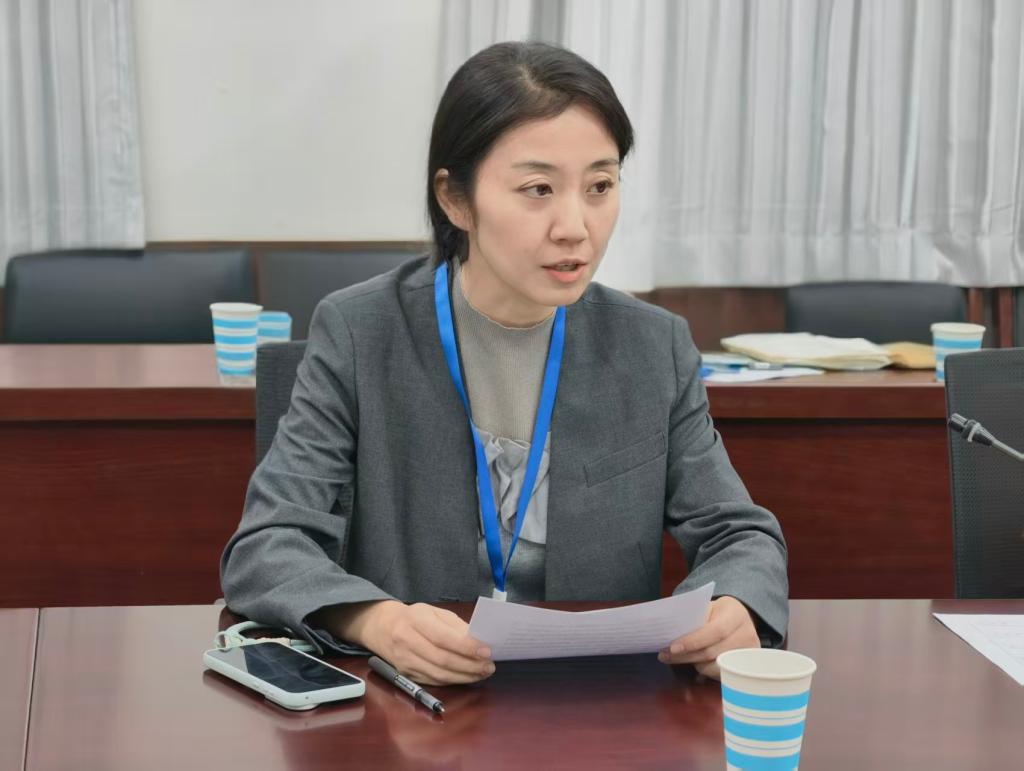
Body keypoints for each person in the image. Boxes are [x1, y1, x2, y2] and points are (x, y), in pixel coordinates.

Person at [221, 41, 787, 686]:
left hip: (595, 699)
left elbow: (740, 535)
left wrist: (736, 605)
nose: (575, 226)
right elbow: (268, 544)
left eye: (600, 186)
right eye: (538, 189)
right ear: (455, 200)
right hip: (420, 702)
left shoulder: (652, 346)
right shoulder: (361, 332)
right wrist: (374, 621)